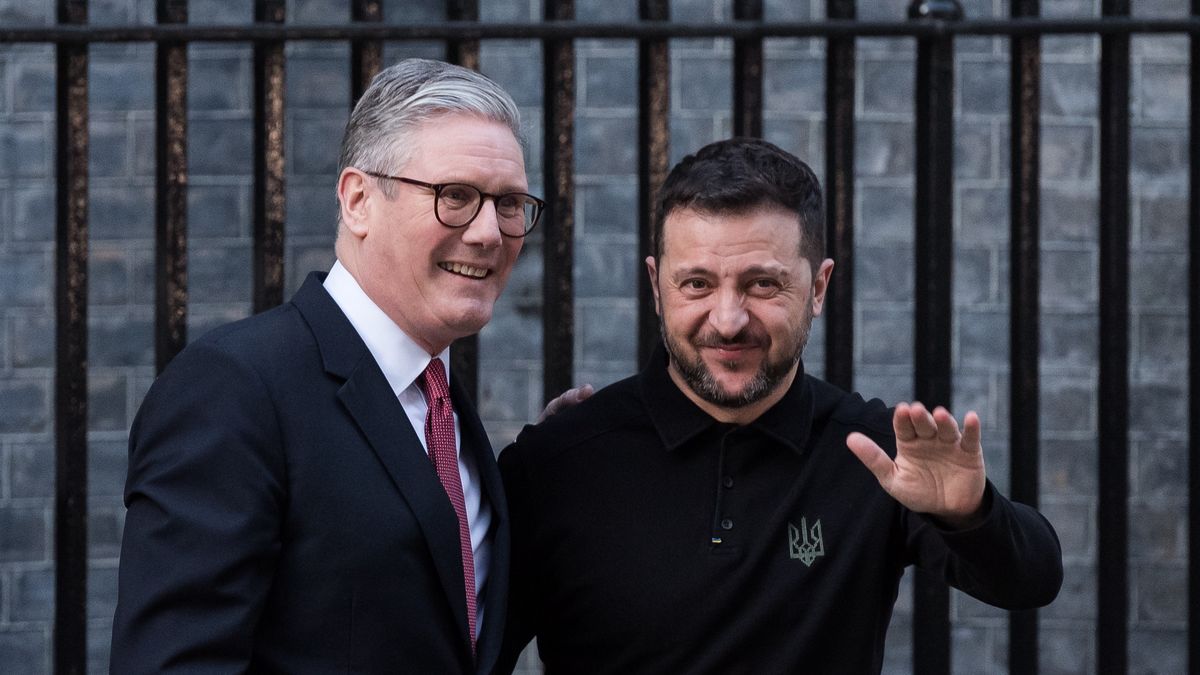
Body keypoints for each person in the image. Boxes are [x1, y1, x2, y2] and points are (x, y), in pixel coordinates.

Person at [498, 138, 1063, 673]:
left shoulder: (874, 456)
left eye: (762, 285)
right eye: (696, 283)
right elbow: (462, 651)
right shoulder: (559, 461)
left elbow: (1032, 580)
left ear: (818, 288)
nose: (727, 320)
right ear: (656, 284)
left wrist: (968, 514)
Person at [111, 58, 544, 673]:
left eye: (508, 203)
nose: (488, 233)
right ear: (359, 199)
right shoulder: (235, 388)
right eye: (455, 197)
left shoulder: (440, 405)